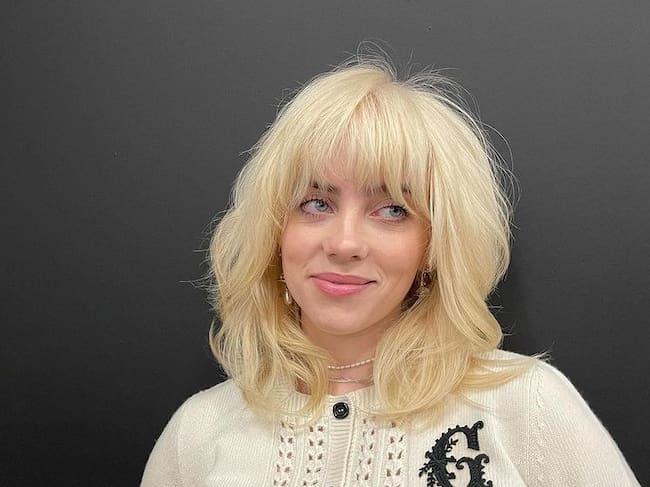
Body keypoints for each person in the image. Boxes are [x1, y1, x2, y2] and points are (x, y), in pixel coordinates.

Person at [140, 56, 640, 486]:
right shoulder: (198, 433)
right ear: (275, 230)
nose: (345, 243)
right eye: (316, 203)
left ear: (435, 245)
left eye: (393, 210)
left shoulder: (526, 406)